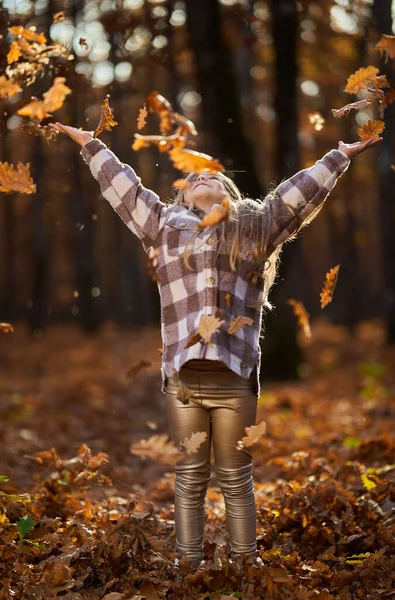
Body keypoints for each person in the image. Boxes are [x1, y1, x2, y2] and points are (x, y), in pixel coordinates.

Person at [48, 121, 382, 572]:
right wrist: (91, 145)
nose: (200, 177)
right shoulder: (164, 224)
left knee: (235, 477)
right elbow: (125, 189)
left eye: (211, 175)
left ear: (227, 190)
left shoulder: (254, 225)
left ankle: (247, 564)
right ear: (184, 198)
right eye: (192, 179)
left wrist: (339, 156)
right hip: (183, 380)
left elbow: (295, 196)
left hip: (235, 377)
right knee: (189, 476)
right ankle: (188, 565)